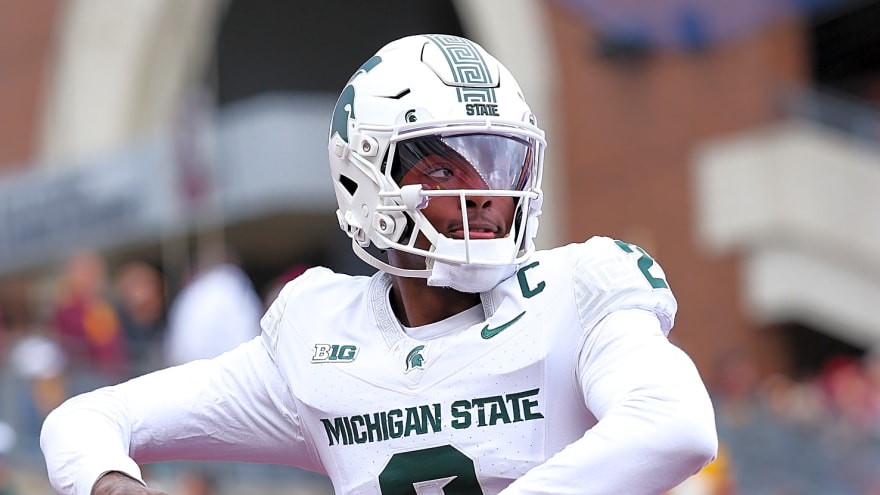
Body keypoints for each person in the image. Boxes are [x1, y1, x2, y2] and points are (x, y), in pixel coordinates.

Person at [40, 34, 717, 495]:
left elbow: (675, 424)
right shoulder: (317, 335)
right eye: (447, 166)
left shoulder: (579, 290)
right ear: (365, 179)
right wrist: (114, 485)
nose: (487, 191)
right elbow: (85, 419)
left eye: (502, 161)